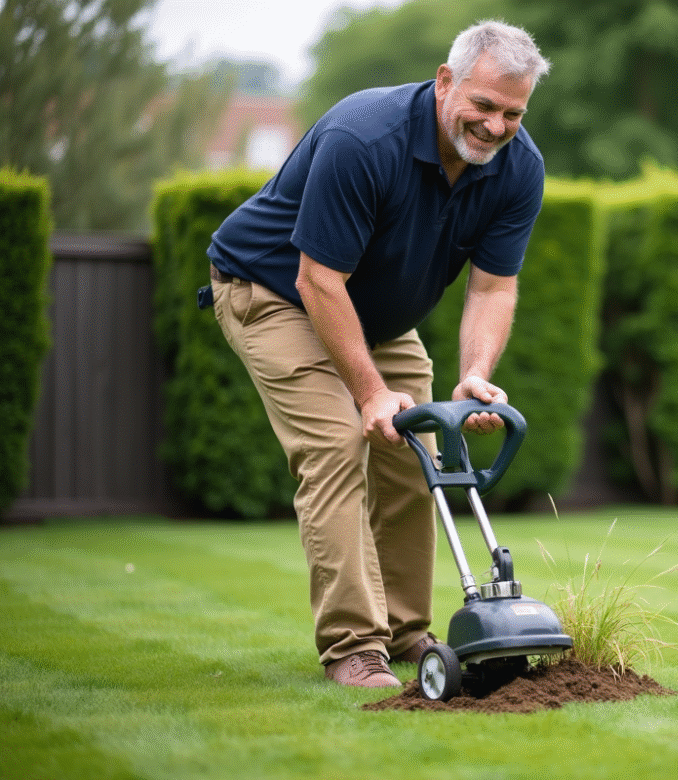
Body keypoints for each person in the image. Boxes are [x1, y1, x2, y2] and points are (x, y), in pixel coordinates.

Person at [203, 21, 551, 688]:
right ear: (445, 83)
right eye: (483, 106)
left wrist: (474, 377)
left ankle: (404, 629)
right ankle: (352, 647)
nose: (496, 126)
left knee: (417, 451)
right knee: (338, 443)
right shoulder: (364, 136)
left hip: (378, 318)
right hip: (273, 291)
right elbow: (317, 280)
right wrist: (367, 393)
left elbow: (494, 286)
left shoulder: (519, 167)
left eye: (513, 112)